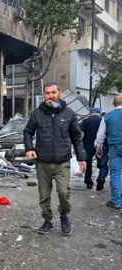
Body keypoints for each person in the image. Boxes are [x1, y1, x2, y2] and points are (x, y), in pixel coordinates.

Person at [23, 83, 86, 236]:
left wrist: (81, 158)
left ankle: (64, 216)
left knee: (63, 192)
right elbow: (28, 132)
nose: (50, 96)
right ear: (44, 95)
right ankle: (47, 220)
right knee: (44, 195)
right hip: (42, 162)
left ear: (59, 93)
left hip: (62, 161)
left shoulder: (69, 113)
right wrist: (29, 148)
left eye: (53, 93)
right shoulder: (37, 113)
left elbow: (76, 137)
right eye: (47, 93)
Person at [95, 95, 122, 209]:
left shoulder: (107, 117)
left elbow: (100, 136)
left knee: (115, 174)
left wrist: (99, 149)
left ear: (113, 104)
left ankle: (116, 201)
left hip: (114, 147)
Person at [80, 108, 109, 190]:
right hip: (101, 146)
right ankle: (101, 178)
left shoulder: (85, 121)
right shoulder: (103, 120)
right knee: (102, 164)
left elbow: (81, 134)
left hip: (88, 146)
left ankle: (88, 182)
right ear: (99, 113)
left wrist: (79, 145)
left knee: (88, 164)